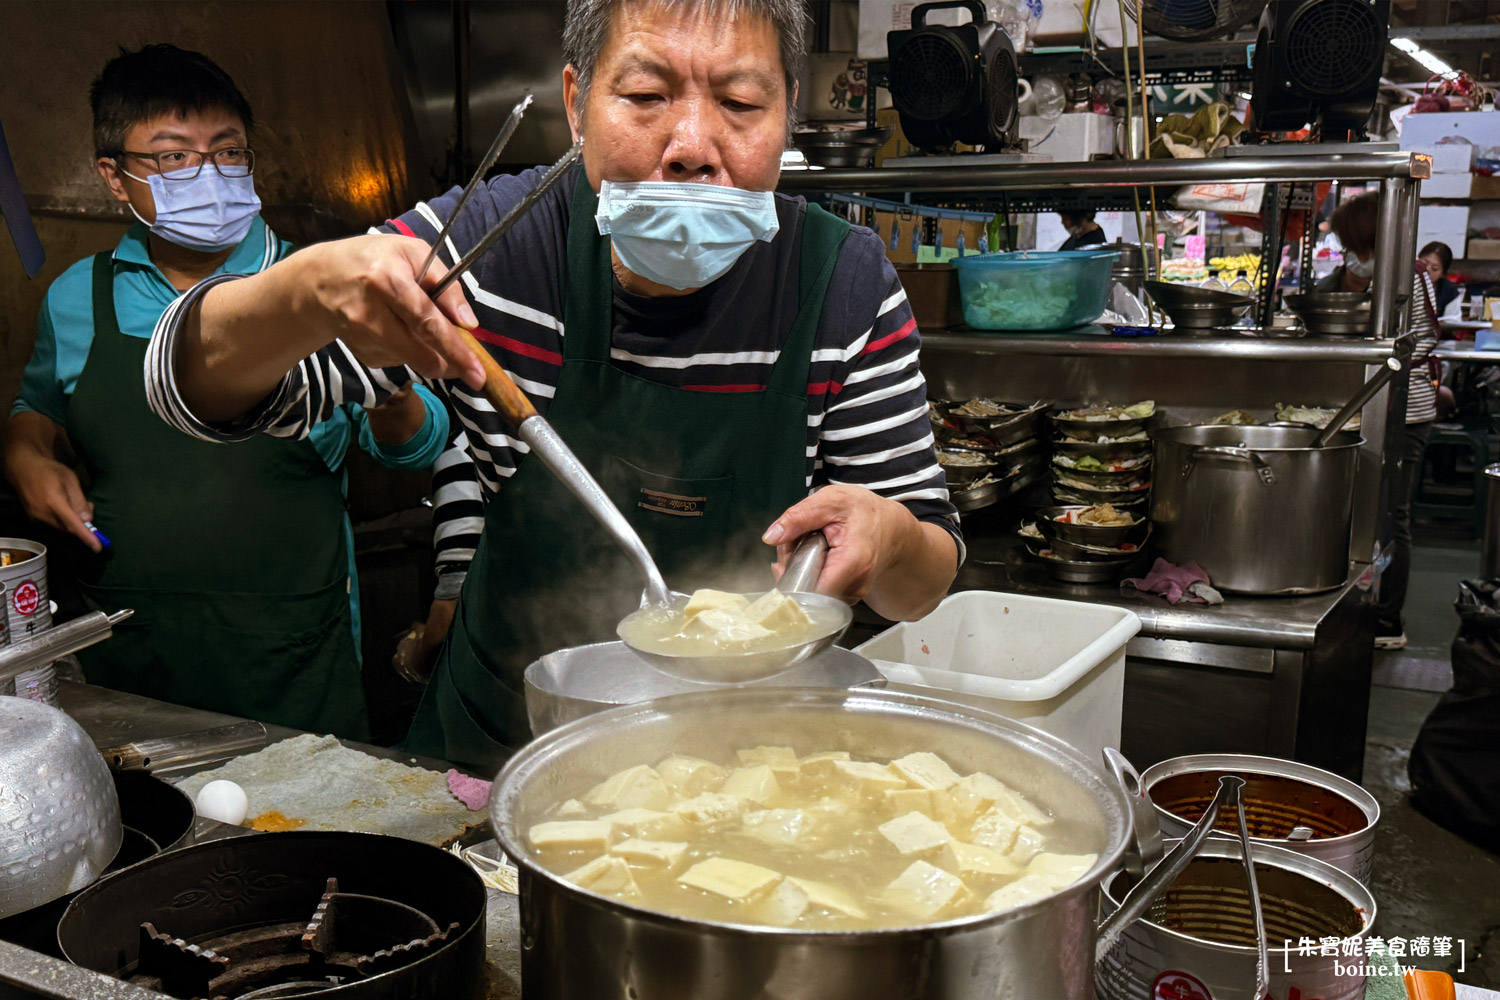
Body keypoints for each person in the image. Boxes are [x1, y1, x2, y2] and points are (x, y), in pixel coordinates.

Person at [142, 0, 964, 771]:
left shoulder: (842, 286)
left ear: (788, 109)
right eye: (645, 94)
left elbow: (922, 585)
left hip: (757, 760)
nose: (691, 143)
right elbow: (192, 394)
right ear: (576, 105)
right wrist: (299, 292)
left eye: (742, 104)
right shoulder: (489, 251)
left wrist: (890, 537)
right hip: (511, 743)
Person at [3, 45, 450, 738]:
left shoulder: (316, 285)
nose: (207, 174)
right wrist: (28, 456)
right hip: (132, 648)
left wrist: (394, 390)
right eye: (173, 156)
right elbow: (37, 412)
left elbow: (410, 451)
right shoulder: (78, 298)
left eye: (227, 152)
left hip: (290, 650)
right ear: (114, 177)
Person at [1318, 192, 1438, 650]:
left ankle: (1389, 621)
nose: (1352, 253)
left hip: (1405, 414)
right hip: (1369, 405)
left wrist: (1384, 362)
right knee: (1367, 513)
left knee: (1394, 518)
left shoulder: (1411, 274)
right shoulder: (1361, 272)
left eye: (1355, 243)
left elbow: (1420, 341)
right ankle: (1361, 609)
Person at [1418, 241, 1464, 320]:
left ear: (1442, 274)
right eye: (1424, 263)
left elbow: (1452, 323)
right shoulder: (1404, 282)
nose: (1427, 269)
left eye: (1434, 269)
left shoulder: (1449, 291)